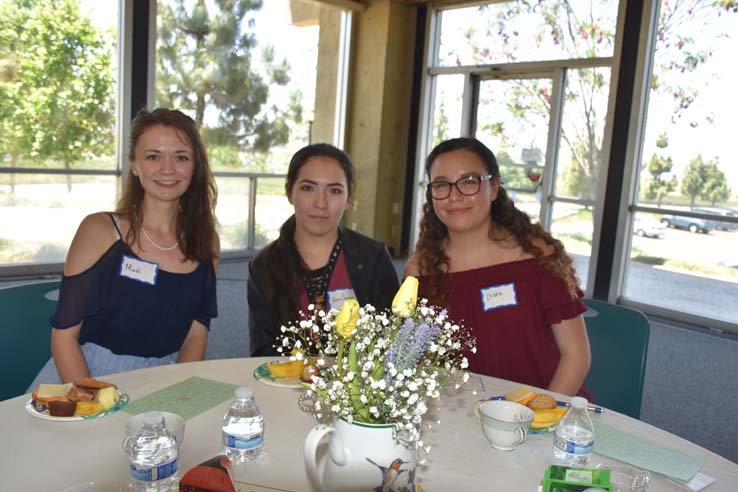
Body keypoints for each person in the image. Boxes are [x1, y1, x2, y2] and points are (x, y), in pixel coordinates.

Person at [29, 108, 219, 387]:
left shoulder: (206, 241)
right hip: (84, 378)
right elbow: (64, 336)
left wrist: (179, 393)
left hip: (164, 380)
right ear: (134, 164)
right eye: (153, 157)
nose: (168, 169)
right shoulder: (100, 230)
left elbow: (196, 333)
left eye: (181, 157)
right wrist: (91, 402)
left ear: (195, 165)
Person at [405, 137, 591, 397]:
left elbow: (576, 356)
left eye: (469, 182)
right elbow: (414, 359)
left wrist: (537, 417)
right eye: (442, 185)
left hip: (545, 413)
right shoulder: (420, 270)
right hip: (457, 418)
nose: (454, 195)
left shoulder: (537, 256)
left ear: (493, 187)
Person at [248, 143, 399, 356]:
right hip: (287, 386)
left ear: (348, 199)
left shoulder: (372, 257)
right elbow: (264, 352)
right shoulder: (264, 265)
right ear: (290, 192)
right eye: (308, 188)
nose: (321, 203)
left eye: (334, 191)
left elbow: (390, 340)